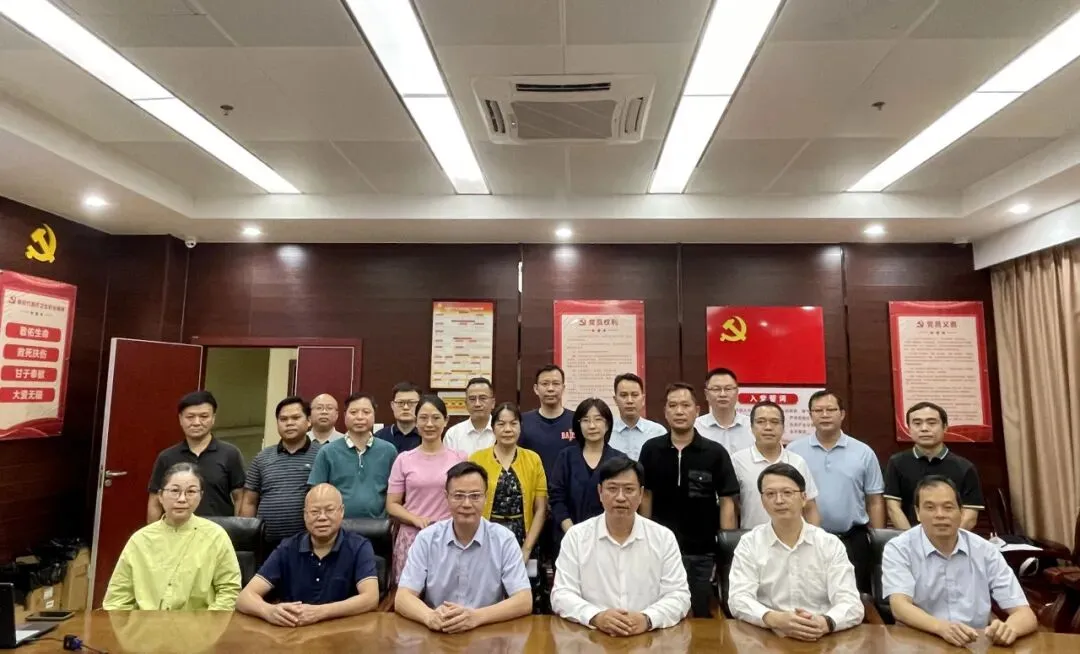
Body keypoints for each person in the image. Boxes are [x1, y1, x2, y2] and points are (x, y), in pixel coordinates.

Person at [882, 476, 1036, 647]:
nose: (940, 515)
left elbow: (1025, 614)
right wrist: (941, 628)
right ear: (918, 513)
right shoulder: (899, 548)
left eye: (948, 507)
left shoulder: (985, 550)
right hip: (919, 642)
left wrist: (1008, 629)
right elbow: (899, 606)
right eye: (930, 508)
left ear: (961, 512)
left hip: (974, 643)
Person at [551, 457, 690, 635]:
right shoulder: (576, 537)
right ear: (600, 492)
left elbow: (679, 596)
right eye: (612, 489)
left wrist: (647, 619)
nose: (620, 497)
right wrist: (596, 616)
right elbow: (561, 594)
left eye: (629, 490)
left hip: (648, 638)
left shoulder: (663, 538)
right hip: (592, 637)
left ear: (641, 494)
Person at [728, 463, 863, 641]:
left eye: (787, 492)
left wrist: (826, 622)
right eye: (770, 494)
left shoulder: (829, 544)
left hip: (821, 635)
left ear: (804, 498)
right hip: (768, 637)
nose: (779, 500)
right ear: (762, 501)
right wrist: (774, 618)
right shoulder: (749, 543)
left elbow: (851, 603)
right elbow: (738, 599)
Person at [395, 462, 533, 633]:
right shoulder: (427, 539)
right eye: (458, 496)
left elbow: (524, 600)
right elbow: (402, 597)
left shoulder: (504, 540)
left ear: (486, 497)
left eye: (475, 496)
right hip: (438, 631)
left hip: (487, 632)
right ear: (446, 497)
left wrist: (476, 617)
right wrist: (429, 616)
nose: (467, 504)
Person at [639, 382, 739, 618]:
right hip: (659, 550)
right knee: (661, 613)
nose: (679, 411)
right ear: (665, 412)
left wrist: (724, 551)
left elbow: (727, 501)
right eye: (673, 405)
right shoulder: (651, 449)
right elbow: (645, 496)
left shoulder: (715, 452)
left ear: (697, 410)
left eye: (685, 405)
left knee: (701, 614)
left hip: (702, 553)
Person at [236, 484, 380, 626]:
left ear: (341, 511)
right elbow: (244, 598)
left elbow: (371, 598)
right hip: (295, 631)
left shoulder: (359, 547)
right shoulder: (287, 548)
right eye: (315, 511)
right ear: (305, 515)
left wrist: (320, 612)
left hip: (343, 629)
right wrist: (269, 611)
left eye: (329, 510)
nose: (322, 517)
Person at [104, 462, 241, 610]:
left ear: (200, 496)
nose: (182, 499)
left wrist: (208, 622)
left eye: (191, 492)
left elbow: (229, 591)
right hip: (146, 622)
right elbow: (117, 599)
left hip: (199, 622)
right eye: (175, 490)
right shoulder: (140, 540)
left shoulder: (216, 536)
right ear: (160, 496)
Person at [787, 390, 885, 593]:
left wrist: (878, 539)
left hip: (853, 539)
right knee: (810, 593)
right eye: (818, 410)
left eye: (830, 410)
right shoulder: (794, 451)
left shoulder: (863, 452)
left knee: (856, 595)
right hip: (806, 538)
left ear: (842, 414)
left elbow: (875, 500)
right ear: (810, 415)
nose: (824, 415)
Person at [386, 395, 466, 582]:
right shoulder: (404, 459)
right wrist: (415, 519)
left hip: (449, 536)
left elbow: (464, 499)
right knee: (410, 592)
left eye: (436, 418)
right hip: (412, 537)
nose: (429, 424)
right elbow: (392, 504)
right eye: (423, 418)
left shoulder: (460, 458)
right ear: (416, 421)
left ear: (446, 421)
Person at [147, 390, 245, 523]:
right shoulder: (166, 457)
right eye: (190, 417)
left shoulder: (230, 454)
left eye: (204, 416)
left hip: (218, 529)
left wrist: (238, 529)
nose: (197, 422)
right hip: (176, 529)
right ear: (180, 419)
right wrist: (153, 533)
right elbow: (155, 502)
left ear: (213, 418)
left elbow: (240, 498)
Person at [884, 402, 984, 531]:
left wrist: (947, 538)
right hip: (910, 537)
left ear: (945, 427)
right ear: (909, 428)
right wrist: (913, 539)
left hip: (952, 538)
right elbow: (893, 508)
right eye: (917, 423)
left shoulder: (965, 467)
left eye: (931, 423)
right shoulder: (897, 462)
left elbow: (970, 515)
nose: (924, 428)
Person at [469, 403, 548, 561]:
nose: (507, 429)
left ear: (520, 427)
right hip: (486, 537)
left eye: (513, 423)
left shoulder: (533, 459)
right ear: (493, 427)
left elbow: (541, 509)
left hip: (524, 537)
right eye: (501, 424)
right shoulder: (477, 459)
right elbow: (470, 502)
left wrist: (527, 548)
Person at [240, 396, 322, 546]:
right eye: (283, 419)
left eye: (295, 418)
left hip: (310, 542)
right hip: (266, 543)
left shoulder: (323, 455)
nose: (289, 423)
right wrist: (246, 537)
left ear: (309, 421)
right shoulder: (262, 457)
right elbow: (249, 501)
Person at [308, 392, 398, 519]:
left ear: (374, 415)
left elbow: (396, 492)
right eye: (353, 412)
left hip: (380, 525)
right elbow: (316, 492)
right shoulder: (327, 451)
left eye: (366, 412)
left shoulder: (388, 451)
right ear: (345, 415)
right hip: (338, 524)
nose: (360, 417)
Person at [732, 401, 820, 528]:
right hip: (752, 537)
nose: (768, 427)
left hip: (793, 537)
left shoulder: (797, 461)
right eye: (761, 421)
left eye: (774, 422)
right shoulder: (737, 461)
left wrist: (814, 537)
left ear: (783, 427)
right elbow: (731, 506)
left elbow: (810, 507)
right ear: (751, 427)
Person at [550, 398, 622, 537]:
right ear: (578, 425)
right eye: (585, 420)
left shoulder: (619, 460)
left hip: (608, 536)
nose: (592, 426)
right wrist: (572, 532)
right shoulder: (566, 457)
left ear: (607, 424)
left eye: (598, 419)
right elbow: (556, 498)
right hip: (569, 535)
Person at [519, 364, 575, 479]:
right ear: (536, 389)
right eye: (545, 384)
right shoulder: (522, 422)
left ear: (563, 388)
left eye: (556, 383)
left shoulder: (576, 420)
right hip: (533, 487)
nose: (550, 389)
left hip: (568, 488)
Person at [694, 367, 754, 454]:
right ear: (706, 394)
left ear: (737, 392)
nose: (723, 394)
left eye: (728, 389)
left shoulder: (752, 426)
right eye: (716, 389)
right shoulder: (695, 428)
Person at [610, 373, 667, 461]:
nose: (629, 401)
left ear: (643, 399)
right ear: (615, 400)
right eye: (624, 395)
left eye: (635, 395)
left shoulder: (658, 432)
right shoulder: (606, 432)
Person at [444, 377, 496, 456]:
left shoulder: (502, 432)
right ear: (466, 404)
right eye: (472, 399)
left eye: (483, 398)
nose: (477, 404)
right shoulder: (453, 434)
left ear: (493, 403)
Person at [374, 382, 422, 453]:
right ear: (392, 405)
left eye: (411, 403)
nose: (406, 407)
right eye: (400, 403)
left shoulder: (426, 436)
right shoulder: (379, 437)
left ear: (420, 405)